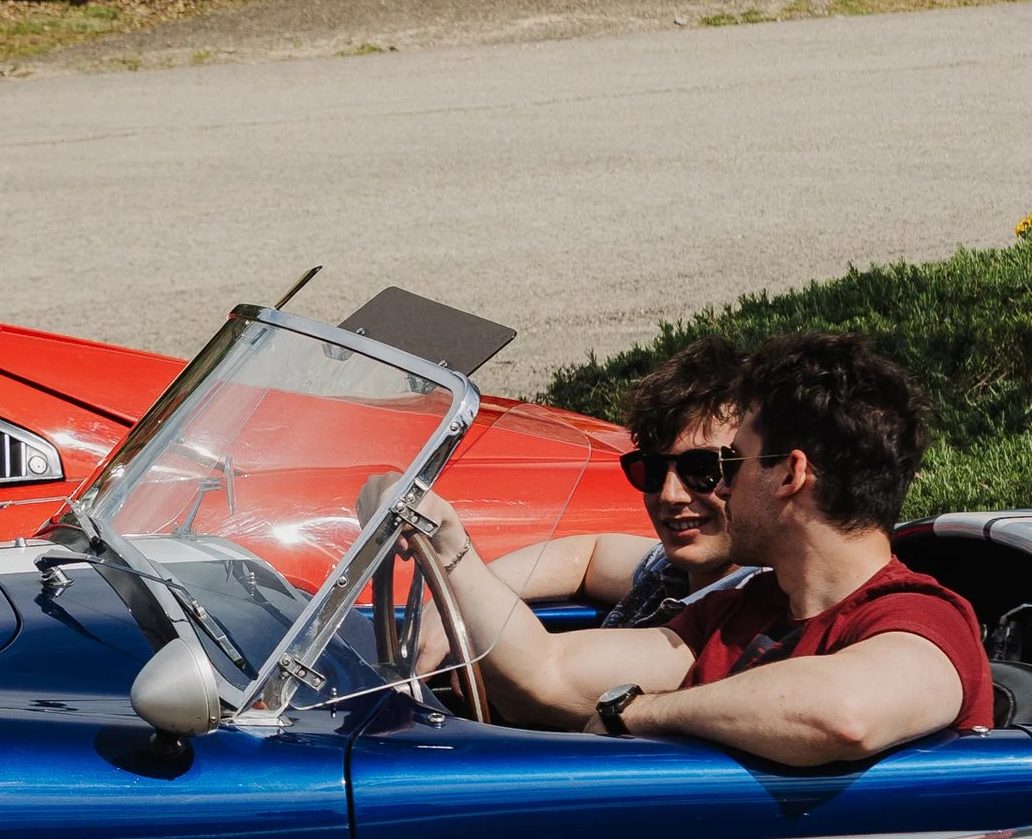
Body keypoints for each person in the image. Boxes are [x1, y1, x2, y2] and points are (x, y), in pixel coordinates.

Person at [413, 329, 991, 768]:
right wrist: (450, 547)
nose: (718, 486)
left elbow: (846, 715)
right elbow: (550, 673)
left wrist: (638, 712)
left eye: (729, 463)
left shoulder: (920, 618)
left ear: (790, 475)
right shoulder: (745, 608)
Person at [491, 332, 746, 628]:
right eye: (651, 469)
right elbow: (586, 555)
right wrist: (455, 604)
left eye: (703, 469)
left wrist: (469, 588)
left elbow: (551, 667)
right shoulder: (669, 569)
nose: (669, 494)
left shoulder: (749, 619)